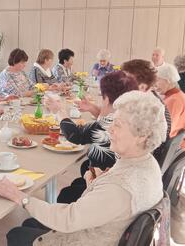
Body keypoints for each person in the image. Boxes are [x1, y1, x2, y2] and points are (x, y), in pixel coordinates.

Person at [0, 91, 166, 246]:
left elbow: (68, 219)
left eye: (118, 125)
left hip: (91, 238)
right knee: (30, 223)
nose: (110, 129)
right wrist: (96, 183)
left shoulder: (120, 189)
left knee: (17, 234)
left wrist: (20, 197)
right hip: (108, 230)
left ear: (141, 136)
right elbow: (110, 203)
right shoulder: (147, 164)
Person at [46, 71, 139, 204]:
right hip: (118, 178)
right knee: (80, 175)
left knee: (67, 194)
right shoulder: (129, 116)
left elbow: (75, 135)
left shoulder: (112, 124)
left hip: (105, 186)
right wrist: (92, 108)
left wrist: (59, 111)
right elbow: (102, 126)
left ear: (106, 99)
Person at [155, 64, 185, 149]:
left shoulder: (174, 100)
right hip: (176, 144)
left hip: (175, 147)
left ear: (168, 80)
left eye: (157, 80)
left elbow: (166, 131)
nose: (155, 84)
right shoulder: (177, 95)